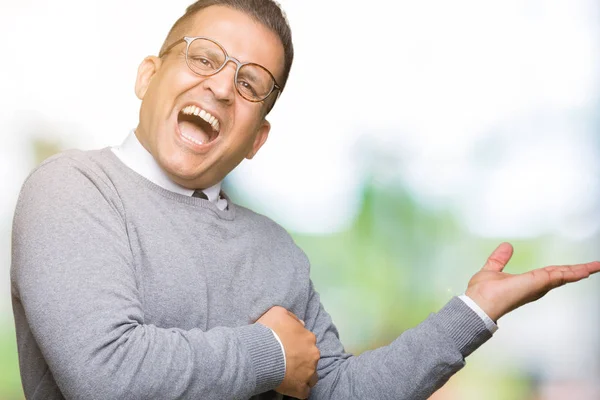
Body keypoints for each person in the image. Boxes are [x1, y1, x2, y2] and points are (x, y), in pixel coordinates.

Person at [10, 1, 599, 399]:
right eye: (204, 57)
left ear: (257, 138)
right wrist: (269, 351)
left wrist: (472, 315)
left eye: (251, 84)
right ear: (147, 76)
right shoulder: (72, 188)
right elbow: (104, 371)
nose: (221, 86)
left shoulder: (275, 249)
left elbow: (338, 389)